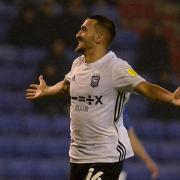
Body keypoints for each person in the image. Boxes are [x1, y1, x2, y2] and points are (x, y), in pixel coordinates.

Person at [26, 15, 180, 180]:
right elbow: (66, 85)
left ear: (99, 37)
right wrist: (48, 90)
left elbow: (146, 88)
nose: (78, 34)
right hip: (78, 156)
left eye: (84, 29)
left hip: (106, 156)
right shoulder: (78, 64)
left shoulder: (116, 67)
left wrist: (171, 98)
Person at [119, 109, 159, 180]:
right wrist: (148, 161)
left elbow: (131, 138)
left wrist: (148, 161)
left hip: (113, 168)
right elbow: (130, 138)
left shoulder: (119, 107)